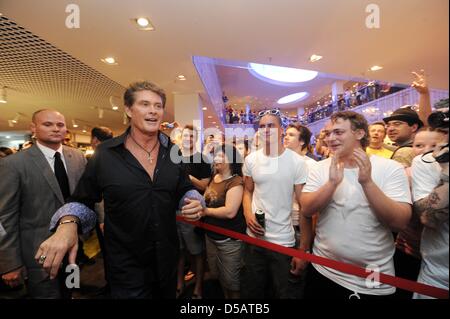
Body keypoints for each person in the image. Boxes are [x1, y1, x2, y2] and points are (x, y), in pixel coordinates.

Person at [35, 81, 204, 299]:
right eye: (144, 104)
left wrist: (193, 200)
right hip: (126, 265)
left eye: (158, 105)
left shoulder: (173, 151)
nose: (153, 110)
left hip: (167, 261)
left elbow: (184, 187)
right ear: (128, 110)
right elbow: (83, 199)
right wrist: (67, 225)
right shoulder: (106, 154)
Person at [301, 111, 412, 299]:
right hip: (323, 268)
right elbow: (307, 209)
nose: (331, 138)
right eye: (328, 134)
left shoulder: (389, 168)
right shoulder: (320, 168)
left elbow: (400, 222)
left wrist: (367, 182)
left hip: (372, 277)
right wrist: (331, 184)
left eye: (338, 132)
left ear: (360, 133)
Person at [0, 109, 86, 298]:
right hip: (38, 254)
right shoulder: (14, 164)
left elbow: (86, 196)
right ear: (33, 128)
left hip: (74, 248)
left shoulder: (77, 157)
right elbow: (4, 217)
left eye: (60, 125)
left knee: (71, 290)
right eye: (48, 124)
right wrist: (9, 263)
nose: (56, 129)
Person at [240, 109, 310, 299]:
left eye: (271, 125)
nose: (266, 129)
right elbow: (247, 190)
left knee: (284, 294)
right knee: (252, 293)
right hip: (254, 239)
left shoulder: (297, 162)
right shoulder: (251, 159)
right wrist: (247, 214)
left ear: (281, 130)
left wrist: (303, 250)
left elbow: (304, 208)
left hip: (282, 242)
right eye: (262, 126)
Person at [201, 144, 245, 299]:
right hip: (211, 236)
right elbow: (206, 199)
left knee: (231, 282)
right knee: (218, 276)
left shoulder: (236, 182)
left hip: (229, 240)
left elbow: (230, 211)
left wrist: (205, 211)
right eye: (216, 155)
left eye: (221, 155)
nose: (216, 158)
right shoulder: (215, 177)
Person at [176, 124, 211, 299]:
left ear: (196, 139)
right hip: (173, 209)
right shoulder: (174, 156)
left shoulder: (202, 159)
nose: (188, 139)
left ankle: (198, 286)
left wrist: (188, 177)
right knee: (179, 250)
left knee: (196, 250)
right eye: (185, 136)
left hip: (192, 209)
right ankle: (179, 283)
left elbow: (205, 186)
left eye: (192, 136)